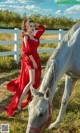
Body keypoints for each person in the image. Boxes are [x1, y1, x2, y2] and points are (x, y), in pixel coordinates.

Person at [4, 19, 46, 116]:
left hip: (36, 59)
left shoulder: (35, 37)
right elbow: (26, 51)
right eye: (30, 26)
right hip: (29, 59)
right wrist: (34, 62)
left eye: (33, 26)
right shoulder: (26, 36)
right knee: (31, 81)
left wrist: (36, 23)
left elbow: (43, 28)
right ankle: (18, 104)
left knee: (34, 81)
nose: (32, 27)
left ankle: (30, 100)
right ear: (26, 27)